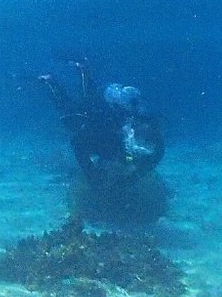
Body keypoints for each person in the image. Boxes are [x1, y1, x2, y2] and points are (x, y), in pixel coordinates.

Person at [36, 57, 167, 223]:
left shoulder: (154, 149)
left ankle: (81, 71)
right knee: (71, 111)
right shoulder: (112, 130)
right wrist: (91, 172)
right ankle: (54, 80)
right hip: (96, 124)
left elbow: (137, 171)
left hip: (105, 133)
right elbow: (78, 144)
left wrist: (119, 183)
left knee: (85, 102)